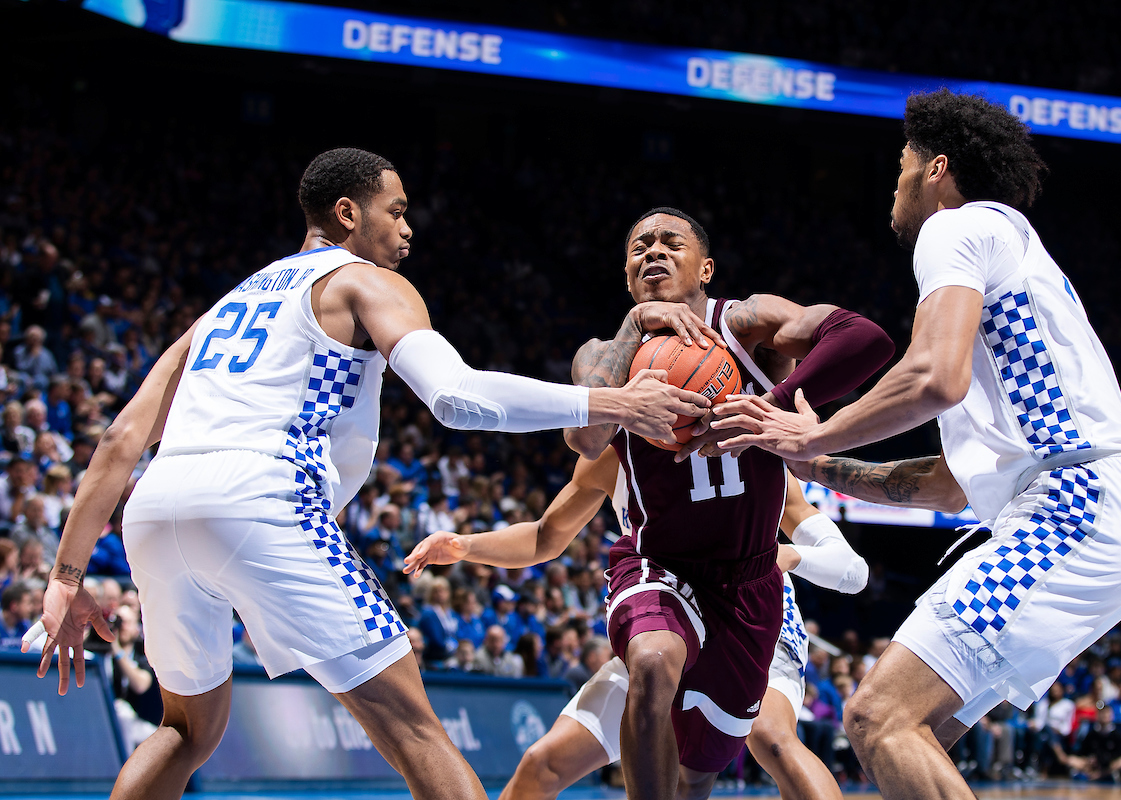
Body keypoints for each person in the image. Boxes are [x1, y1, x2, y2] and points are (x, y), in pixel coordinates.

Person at [21, 147, 714, 800]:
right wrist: (613, 402)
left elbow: (119, 440)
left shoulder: (225, 307)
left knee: (184, 729)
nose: (408, 229)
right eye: (397, 210)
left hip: (156, 504)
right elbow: (455, 397)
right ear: (348, 213)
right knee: (415, 729)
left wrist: (65, 577)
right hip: (263, 497)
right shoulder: (363, 280)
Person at [701, 90, 1121, 799]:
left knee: (878, 716)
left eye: (901, 166)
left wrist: (814, 427)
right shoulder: (1010, 272)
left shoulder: (959, 226)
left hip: (1073, 504)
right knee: (918, 738)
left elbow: (931, 377)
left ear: (936, 168)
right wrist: (821, 464)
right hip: (1088, 512)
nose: (895, 183)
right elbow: (949, 485)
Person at [557, 206, 892, 800]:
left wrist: (772, 405)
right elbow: (584, 438)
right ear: (627, 275)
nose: (653, 251)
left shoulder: (746, 326)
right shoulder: (601, 356)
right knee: (651, 662)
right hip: (658, 563)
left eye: (670, 242)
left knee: (699, 773)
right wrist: (635, 325)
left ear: (706, 268)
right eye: (639, 247)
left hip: (748, 581)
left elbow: (866, 338)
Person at [405, 449, 870, 800]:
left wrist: (787, 555)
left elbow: (851, 569)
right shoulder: (616, 451)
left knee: (771, 739)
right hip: (667, 611)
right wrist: (466, 546)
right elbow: (546, 536)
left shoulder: (746, 447)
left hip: (748, 614)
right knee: (543, 764)